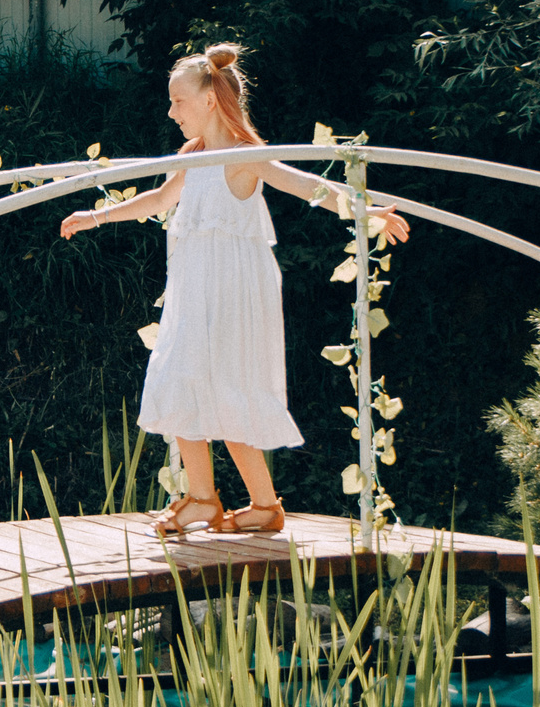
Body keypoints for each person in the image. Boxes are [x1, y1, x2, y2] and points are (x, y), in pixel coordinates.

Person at [61, 43, 409, 537]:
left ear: (208, 101)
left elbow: (310, 186)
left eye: (177, 101)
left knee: (225, 384)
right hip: (193, 286)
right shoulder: (192, 157)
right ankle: (219, 501)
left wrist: (364, 210)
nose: (170, 111)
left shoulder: (248, 158)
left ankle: (244, 504)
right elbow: (159, 199)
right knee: (179, 375)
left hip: (233, 292)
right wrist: (96, 216)